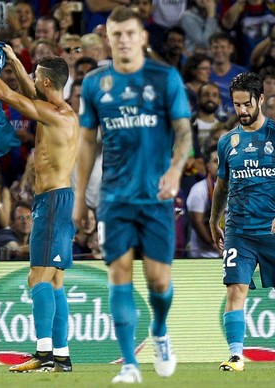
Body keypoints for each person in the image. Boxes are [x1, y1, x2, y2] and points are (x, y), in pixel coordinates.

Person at [72, 6, 192, 384]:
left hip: (156, 197)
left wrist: (175, 170)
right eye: (115, 34)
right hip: (115, 200)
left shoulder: (164, 77)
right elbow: (87, 143)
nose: (122, 40)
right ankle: (128, 364)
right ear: (108, 38)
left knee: (159, 281)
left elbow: (185, 133)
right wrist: (79, 200)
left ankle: (159, 330)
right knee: (118, 274)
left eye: (129, 33)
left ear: (142, 37)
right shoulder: (94, 84)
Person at [0, 43, 78, 373]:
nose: (29, 79)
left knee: (37, 277)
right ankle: (61, 356)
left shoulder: (54, 115)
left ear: (46, 84)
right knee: (54, 280)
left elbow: (8, 96)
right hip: (56, 200)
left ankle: (43, 353)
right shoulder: (60, 109)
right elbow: (29, 90)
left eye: (34, 76)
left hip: (54, 202)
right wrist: (14, 58)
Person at [209, 72, 275, 373]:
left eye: (247, 104)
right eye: (237, 105)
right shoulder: (227, 142)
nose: (242, 111)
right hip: (239, 229)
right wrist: (214, 219)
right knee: (235, 288)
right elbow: (222, 186)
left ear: (260, 99)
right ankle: (236, 355)